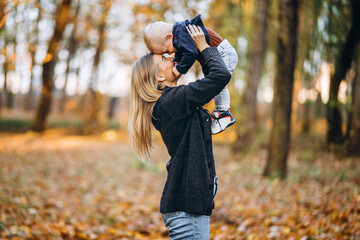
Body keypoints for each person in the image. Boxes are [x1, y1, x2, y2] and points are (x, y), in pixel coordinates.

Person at [128, 25, 231, 239]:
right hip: (187, 208)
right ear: (159, 78)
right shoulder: (171, 102)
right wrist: (203, 47)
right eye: (165, 60)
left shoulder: (170, 103)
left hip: (189, 205)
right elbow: (220, 75)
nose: (173, 58)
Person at [143, 14, 238, 134]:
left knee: (220, 85)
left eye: (167, 51)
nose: (170, 55)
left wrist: (180, 69)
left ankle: (224, 114)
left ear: (169, 37)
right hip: (217, 54)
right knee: (217, 84)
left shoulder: (182, 34)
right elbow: (183, 52)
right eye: (165, 56)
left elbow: (190, 54)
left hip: (223, 53)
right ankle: (223, 113)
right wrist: (179, 61)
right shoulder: (180, 35)